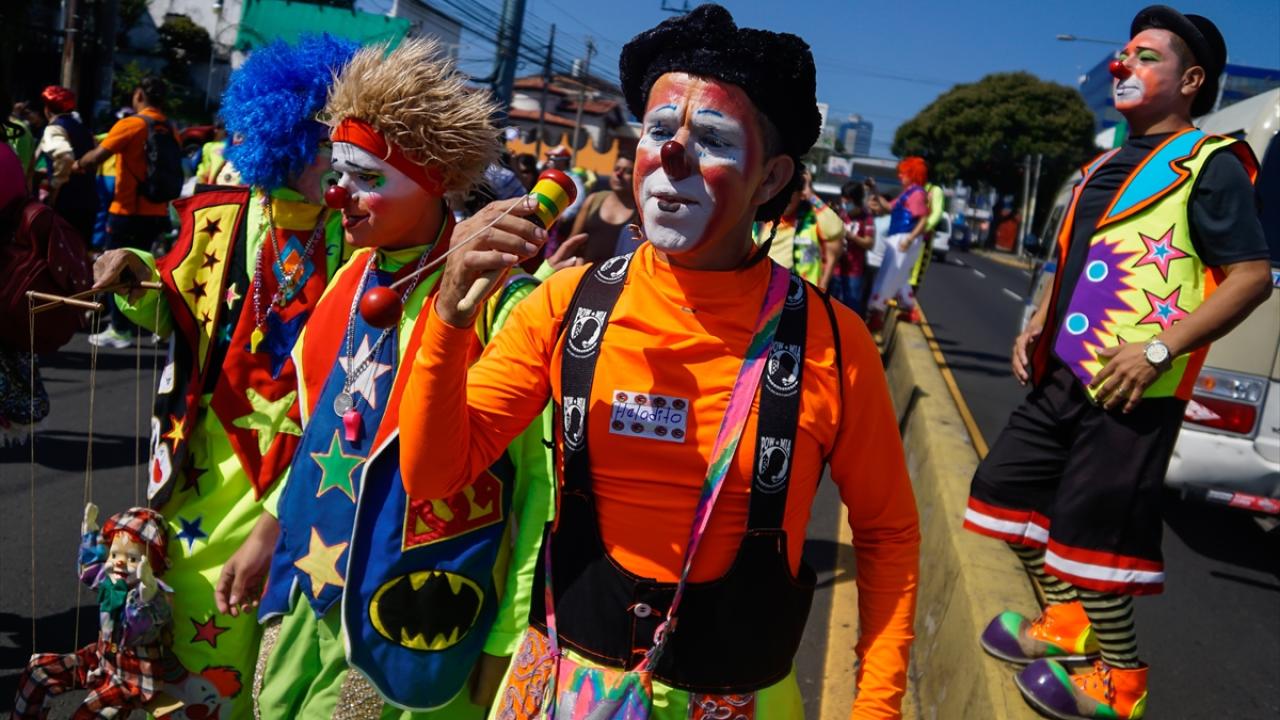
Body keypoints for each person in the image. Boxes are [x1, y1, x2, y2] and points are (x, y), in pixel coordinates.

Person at [399, 5, 920, 717]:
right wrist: (451, 317)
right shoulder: (566, 304)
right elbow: (432, 476)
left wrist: (877, 707)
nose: (671, 155)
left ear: (771, 179)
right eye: (657, 130)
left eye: (712, 139)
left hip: (740, 699)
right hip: (563, 690)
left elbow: (888, 535)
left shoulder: (834, 341)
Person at [217, 38, 556, 718]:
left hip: (416, 615)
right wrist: (268, 530)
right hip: (308, 586)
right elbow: (322, 429)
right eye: (337, 170)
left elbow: (536, 494)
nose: (336, 193)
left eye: (365, 177)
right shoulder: (352, 277)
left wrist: (509, 644)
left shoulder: (503, 303)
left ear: (434, 178)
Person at [966, 7, 1273, 720]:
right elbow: (1078, 255)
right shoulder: (1101, 165)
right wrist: (1040, 316)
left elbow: (1252, 277)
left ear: (1191, 82)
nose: (1121, 64)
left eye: (1145, 56)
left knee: (1093, 536)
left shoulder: (1210, 164)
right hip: (1063, 374)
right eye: (1124, 54)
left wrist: (1160, 350)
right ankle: (1064, 621)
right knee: (1001, 490)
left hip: (1133, 391)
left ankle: (1122, 678)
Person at [89, 35, 359, 719]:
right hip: (210, 461)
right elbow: (174, 308)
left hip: (313, 464)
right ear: (287, 139)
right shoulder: (219, 218)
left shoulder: (360, 234)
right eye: (327, 144)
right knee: (189, 634)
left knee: (278, 658)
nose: (340, 162)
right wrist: (132, 275)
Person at [11, 505, 172, 719]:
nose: (120, 562)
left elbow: (139, 631)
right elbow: (90, 569)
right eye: (114, 554)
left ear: (153, 565)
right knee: (38, 670)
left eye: (132, 559)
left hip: (132, 679)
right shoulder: (111, 582)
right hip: (102, 662)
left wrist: (147, 594)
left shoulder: (149, 599)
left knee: (87, 714)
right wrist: (89, 532)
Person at [76, 76, 176, 348]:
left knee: (115, 269)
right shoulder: (169, 128)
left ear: (139, 95)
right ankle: (143, 323)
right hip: (157, 210)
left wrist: (76, 164)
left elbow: (97, 157)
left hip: (127, 210)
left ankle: (120, 329)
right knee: (146, 270)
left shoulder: (131, 124)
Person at [866, 156, 930, 329]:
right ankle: (910, 309)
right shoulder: (908, 193)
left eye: (904, 173)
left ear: (913, 174)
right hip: (899, 237)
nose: (900, 176)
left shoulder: (917, 193)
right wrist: (875, 190)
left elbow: (923, 219)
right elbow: (888, 207)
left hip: (904, 237)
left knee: (889, 275)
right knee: (899, 277)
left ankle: (877, 312)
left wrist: (909, 238)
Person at [755, 167, 844, 289]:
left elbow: (836, 229)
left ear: (801, 194)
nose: (784, 199)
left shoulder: (812, 220)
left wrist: (810, 195)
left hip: (803, 291)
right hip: (766, 287)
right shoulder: (761, 220)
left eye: (790, 194)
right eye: (781, 193)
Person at [36, 85, 99, 242]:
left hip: (66, 201)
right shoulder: (82, 128)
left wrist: (55, 184)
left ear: (47, 109)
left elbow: (65, 157)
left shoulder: (54, 129)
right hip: (88, 198)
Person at [564, 151, 640, 263]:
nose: (619, 174)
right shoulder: (594, 200)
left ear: (637, 177)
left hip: (619, 273)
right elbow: (572, 241)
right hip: (584, 270)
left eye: (628, 171)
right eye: (616, 169)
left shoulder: (640, 212)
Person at [830, 179, 876, 314]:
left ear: (856, 201)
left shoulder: (866, 218)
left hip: (853, 271)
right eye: (843, 199)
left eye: (848, 200)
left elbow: (869, 243)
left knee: (851, 308)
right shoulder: (840, 214)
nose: (845, 203)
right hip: (835, 268)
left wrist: (852, 236)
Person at [904, 178, 946, 322]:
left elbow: (937, 213)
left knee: (915, 276)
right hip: (907, 236)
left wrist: (922, 229)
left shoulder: (935, 190)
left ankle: (910, 310)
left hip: (922, 240)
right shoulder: (913, 188)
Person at [193, 118, 240, 186]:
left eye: (219, 127)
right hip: (214, 188)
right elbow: (200, 169)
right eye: (215, 127)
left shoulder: (209, 146)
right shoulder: (208, 146)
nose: (215, 130)